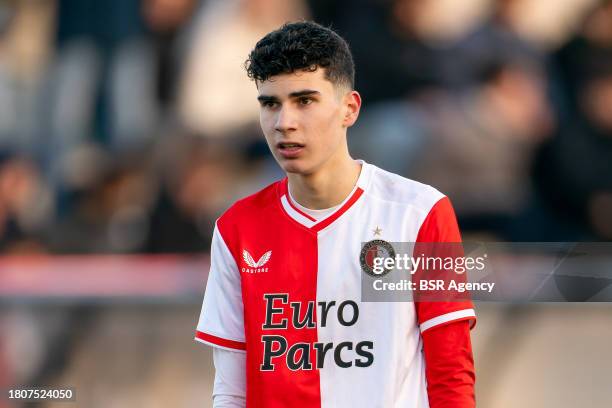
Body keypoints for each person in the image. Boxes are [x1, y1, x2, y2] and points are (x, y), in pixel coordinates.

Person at [195, 21, 476, 407]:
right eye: (270, 103)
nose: (284, 122)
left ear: (349, 109)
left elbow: (451, 375)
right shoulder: (235, 228)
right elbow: (230, 390)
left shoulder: (421, 214)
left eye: (304, 100)